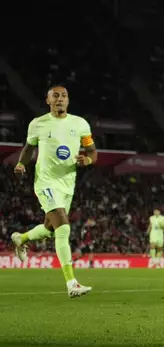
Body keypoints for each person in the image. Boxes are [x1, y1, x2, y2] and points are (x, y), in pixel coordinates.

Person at [11, 85, 96, 297]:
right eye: (55, 96)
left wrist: (87, 160)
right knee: (63, 227)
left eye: (64, 96)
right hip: (45, 182)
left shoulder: (80, 124)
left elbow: (93, 152)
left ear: (68, 100)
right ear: (48, 100)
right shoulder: (38, 124)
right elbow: (29, 148)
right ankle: (72, 283)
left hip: (68, 183)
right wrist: (22, 164)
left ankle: (21, 238)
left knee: (50, 229)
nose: (60, 99)